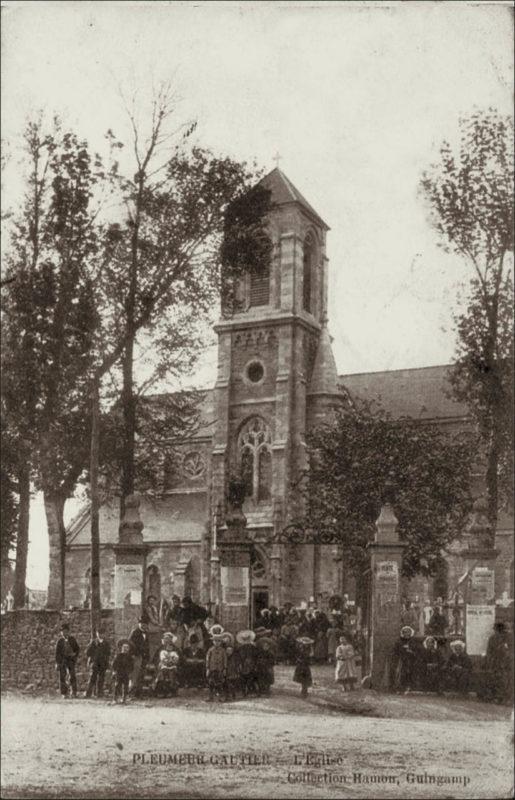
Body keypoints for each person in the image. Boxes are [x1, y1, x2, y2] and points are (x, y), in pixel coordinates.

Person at [485, 622, 512, 703]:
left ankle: (499, 697)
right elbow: (489, 651)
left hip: (500, 662)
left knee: (499, 679)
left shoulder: (502, 638)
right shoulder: (502, 638)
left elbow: (489, 651)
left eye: (496, 630)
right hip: (498, 662)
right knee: (499, 679)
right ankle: (499, 697)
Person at [55, 622, 80, 699]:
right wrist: (57, 663)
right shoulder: (60, 641)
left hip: (70, 660)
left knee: (72, 675)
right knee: (62, 676)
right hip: (62, 660)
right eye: (62, 631)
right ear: (61, 632)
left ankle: (74, 692)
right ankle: (64, 693)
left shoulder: (72, 640)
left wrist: (74, 656)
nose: (64, 633)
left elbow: (77, 649)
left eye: (66, 631)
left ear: (68, 631)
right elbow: (57, 653)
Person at [85, 628, 111, 698]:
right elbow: (88, 652)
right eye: (98, 633)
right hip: (95, 663)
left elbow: (108, 653)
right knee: (92, 678)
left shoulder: (106, 643)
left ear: (104, 634)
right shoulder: (93, 642)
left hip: (103, 663)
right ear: (97, 634)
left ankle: (99, 693)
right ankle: (88, 693)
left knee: (101, 678)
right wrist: (92, 658)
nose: (100, 635)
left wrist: (106, 661)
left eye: (102, 633)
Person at [128, 618, 150, 697]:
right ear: (139, 624)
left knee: (142, 674)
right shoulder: (135, 632)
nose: (144, 625)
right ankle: (131, 692)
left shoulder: (146, 633)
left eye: (145, 624)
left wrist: (147, 656)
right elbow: (129, 644)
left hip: (143, 656)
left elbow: (147, 645)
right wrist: (132, 654)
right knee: (135, 674)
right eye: (142, 624)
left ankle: (139, 693)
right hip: (136, 656)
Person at [391, 626, 416, 694]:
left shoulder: (412, 641)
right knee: (400, 673)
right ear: (402, 633)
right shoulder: (399, 641)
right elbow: (395, 651)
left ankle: (408, 688)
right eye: (405, 632)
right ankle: (398, 688)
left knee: (409, 673)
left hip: (410, 660)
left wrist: (410, 651)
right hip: (401, 660)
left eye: (408, 632)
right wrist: (402, 650)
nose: (407, 634)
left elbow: (416, 651)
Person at [236, 629, 259, 696]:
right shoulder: (240, 648)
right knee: (243, 678)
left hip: (251, 664)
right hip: (243, 664)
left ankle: (250, 690)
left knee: (251, 678)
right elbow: (238, 657)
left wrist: (255, 664)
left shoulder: (253, 647)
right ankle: (244, 691)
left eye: (247, 639)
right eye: (244, 639)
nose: (246, 641)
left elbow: (256, 656)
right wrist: (239, 664)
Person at [206, 632, 227, 702]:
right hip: (212, 669)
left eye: (218, 641)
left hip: (220, 669)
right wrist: (208, 668)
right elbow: (208, 659)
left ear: (221, 642)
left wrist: (224, 668)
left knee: (220, 683)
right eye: (215, 641)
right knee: (211, 683)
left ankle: (221, 697)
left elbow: (225, 659)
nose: (217, 643)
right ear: (213, 642)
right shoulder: (210, 650)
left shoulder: (223, 651)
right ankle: (210, 697)